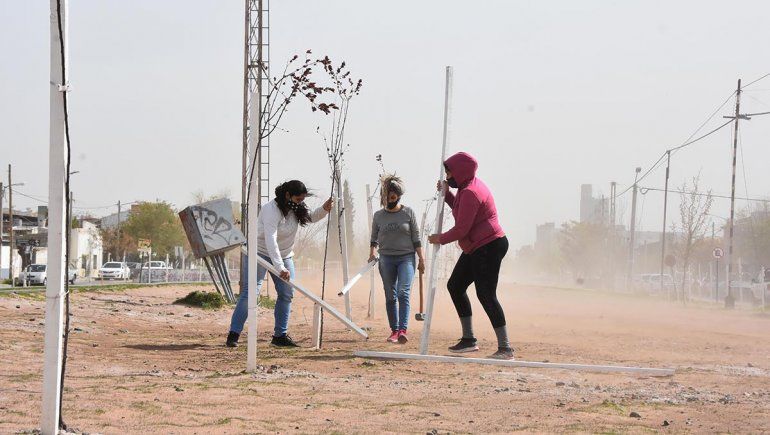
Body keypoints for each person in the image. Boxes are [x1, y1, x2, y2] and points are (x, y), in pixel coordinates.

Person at [226, 180, 333, 348]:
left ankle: (279, 336)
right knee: (251, 293)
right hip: (259, 253)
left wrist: (325, 209)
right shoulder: (271, 210)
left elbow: (311, 217)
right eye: (298, 199)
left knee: (286, 293)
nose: (300, 203)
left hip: (284, 255)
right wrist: (280, 267)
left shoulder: (297, 208)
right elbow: (271, 239)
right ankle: (233, 334)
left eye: (302, 200)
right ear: (288, 195)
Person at [427, 152, 512, 360]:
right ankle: (468, 339)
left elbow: (462, 229)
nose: (447, 177)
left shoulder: (471, 192)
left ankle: (505, 348)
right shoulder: (467, 187)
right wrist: (447, 195)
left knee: (486, 294)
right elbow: (462, 211)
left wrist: (440, 238)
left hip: (489, 246)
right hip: (477, 246)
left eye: (449, 173)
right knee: (455, 285)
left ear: (460, 172)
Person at [369, 175, 426, 343]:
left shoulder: (408, 213)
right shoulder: (378, 216)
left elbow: (416, 238)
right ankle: (394, 331)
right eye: (387, 197)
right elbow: (374, 238)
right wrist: (372, 252)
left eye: (393, 197)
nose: (390, 200)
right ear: (383, 197)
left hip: (406, 258)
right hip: (386, 258)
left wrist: (421, 259)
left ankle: (403, 330)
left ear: (399, 196)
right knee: (390, 296)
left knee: (403, 292)